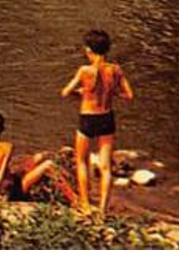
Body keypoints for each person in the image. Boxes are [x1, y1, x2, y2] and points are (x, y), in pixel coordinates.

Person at [60, 28, 135, 217]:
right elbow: (129, 95)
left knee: (82, 161)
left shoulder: (85, 70)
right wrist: (112, 93)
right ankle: (102, 209)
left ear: (88, 50)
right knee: (105, 166)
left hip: (87, 118)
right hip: (106, 118)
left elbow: (65, 92)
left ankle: (85, 205)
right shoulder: (116, 70)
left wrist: (82, 93)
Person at [0, 110, 62, 202]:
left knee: (37, 158)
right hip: (13, 190)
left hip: (4, 185)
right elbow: (1, 173)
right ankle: (74, 199)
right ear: (2, 129)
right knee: (48, 164)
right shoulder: (7, 147)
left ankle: (48, 155)